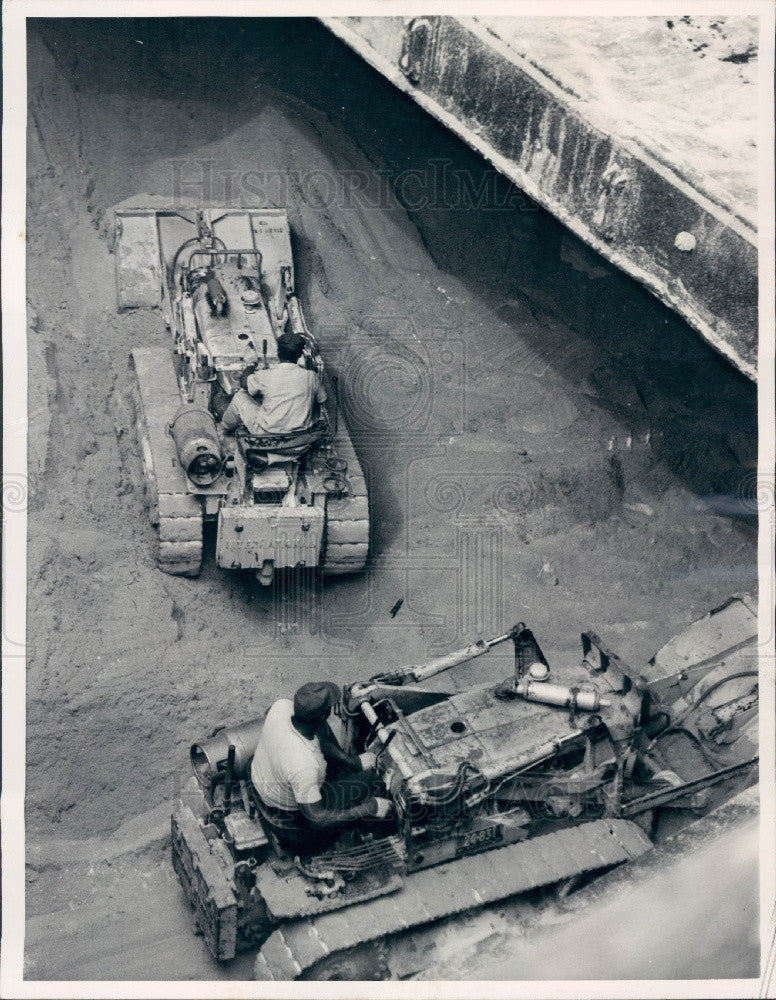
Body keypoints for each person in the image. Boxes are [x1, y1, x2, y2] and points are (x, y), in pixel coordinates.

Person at [250, 681, 394, 855]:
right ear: (322, 714)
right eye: (329, 708)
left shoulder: (281, 707)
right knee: (373, 781)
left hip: (263, 783)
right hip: (290, 819)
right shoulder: (303, 764)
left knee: (323, 731)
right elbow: (317, 818)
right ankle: (378, 832)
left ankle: (347, 775)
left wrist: (352, 761)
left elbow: (317, 734)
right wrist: (370, 807)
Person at [220, 332, 327, 436]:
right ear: (299, 355)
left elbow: (243, 383)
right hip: (300, 438)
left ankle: (225, 428)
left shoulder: (265, 375)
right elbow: (321, 400)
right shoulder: (312, 376)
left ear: (278, 352)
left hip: (269, 437)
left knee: (240, 396)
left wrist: (251, 363)